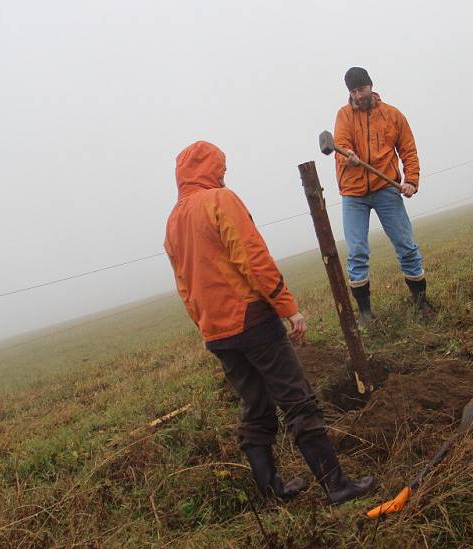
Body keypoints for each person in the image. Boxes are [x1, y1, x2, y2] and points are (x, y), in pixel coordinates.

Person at [164, 141, 375, 504]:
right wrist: (287, 308)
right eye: (221, 168)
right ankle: (337, 486)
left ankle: (272, 493)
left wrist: (205, 325)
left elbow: (184, 286)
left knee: (256, 407)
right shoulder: (220, 201)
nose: (224, 175)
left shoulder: (173, 221)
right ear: (208, 169)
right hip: (252, 320)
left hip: (216, 333)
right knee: (298, 401)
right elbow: (253, 259)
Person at [333, 66, 434, 325]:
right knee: (356, 252)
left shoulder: (392, 115)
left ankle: (421, 303)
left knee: (406, 246)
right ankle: (365, 313)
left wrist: (411, 180)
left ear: (370, 86)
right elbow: (339, 145)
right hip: (353, 194)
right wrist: (347, 156)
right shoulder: (344, 116)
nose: (358, 95)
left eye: (361, 89)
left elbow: (408, 151)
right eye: (353, 91)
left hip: (386, 188)